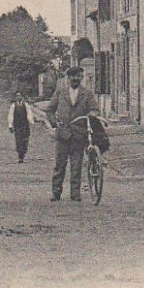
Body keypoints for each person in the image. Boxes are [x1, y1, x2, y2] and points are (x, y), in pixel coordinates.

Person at [44, 66, 98, 202]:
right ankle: (56, 192)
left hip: (79, 135)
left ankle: (75, 194)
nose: (76, 79)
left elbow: (95, 109)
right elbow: (49, 109)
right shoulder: (60, 92)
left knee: (77, 166)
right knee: (59, 165)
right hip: (62, 133)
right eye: (73, 76)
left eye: (79, 76)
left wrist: (92, 114)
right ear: (68, 78)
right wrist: (54, 123)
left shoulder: (87, 93)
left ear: (82, 77)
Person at [5, 95, 33, 163]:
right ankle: (20, 156)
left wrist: (31, 121)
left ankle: (23, 154)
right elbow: (10, 115)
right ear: (15, 98)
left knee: (25, 140)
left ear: (22, 97)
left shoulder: (26, 105)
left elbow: (29, 114)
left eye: (20, 96)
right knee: (18, 141)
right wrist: (10, 125)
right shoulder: (13, 106)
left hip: (25, 125)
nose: (19, 97)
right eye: (17, 96)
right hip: (17, 126)